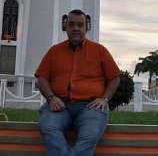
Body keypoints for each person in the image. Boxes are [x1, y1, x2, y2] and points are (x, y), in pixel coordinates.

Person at [35, 9, 120, 156]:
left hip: (90, 106)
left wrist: (105, 99)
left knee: (91, 133)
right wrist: (50, 97)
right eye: (72, 24)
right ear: (65, 27)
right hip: (59, 105)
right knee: (48, 126)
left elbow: (114, 77)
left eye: (80, 25)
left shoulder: (100, 51)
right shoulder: (54, 51)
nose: (76, 28)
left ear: (86, 28)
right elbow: (41, 77)